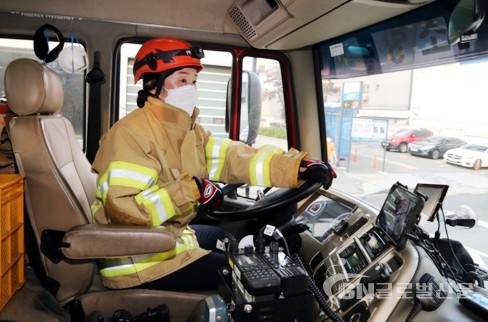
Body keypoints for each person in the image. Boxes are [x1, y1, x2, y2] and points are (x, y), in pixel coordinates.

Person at [90, 37, 336, 291]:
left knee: (223, 238)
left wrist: (296, 167)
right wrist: (191, 190)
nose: (191, 88)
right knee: (250, 280)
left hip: (168, 239)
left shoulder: (185, 130)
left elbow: (232, 158)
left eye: (194, 81)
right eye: (182, 80)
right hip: (138, 262)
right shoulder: (130, 134)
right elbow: (125, 210)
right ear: (153, 84)